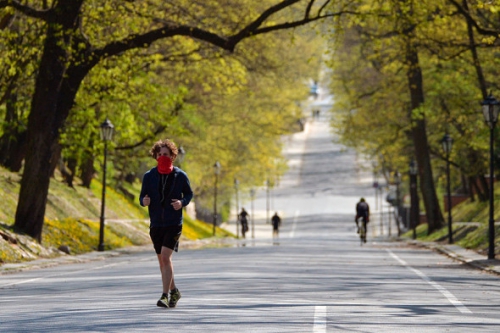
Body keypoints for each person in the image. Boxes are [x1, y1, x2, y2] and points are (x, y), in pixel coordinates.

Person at [140, 139, 193, 308]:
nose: (163, 157)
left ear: (172, 156)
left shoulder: (180, 175)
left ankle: (164, 295)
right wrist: (144, 201)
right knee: (162, 261)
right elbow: (142, 196)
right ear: (156, 156)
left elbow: (189, 194)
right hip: (156, 223)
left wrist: (182, 203)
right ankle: (174, 291)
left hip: (173, 223)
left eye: (166, 154)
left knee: (165, 256)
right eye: (160, 154)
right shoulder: (149, 176)